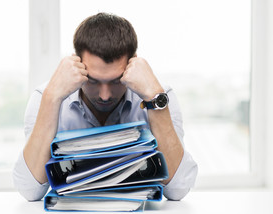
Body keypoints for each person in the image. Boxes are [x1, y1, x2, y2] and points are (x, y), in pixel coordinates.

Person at [13, 12, 198, 201]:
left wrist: (154, 99)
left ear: (133, 64)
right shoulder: (47, 97)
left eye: (116, 81)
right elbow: (29, 191)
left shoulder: (158, 96)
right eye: (92, 81)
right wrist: (51, 99)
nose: (105, 95)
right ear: (75, 64)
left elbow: (178, 190)